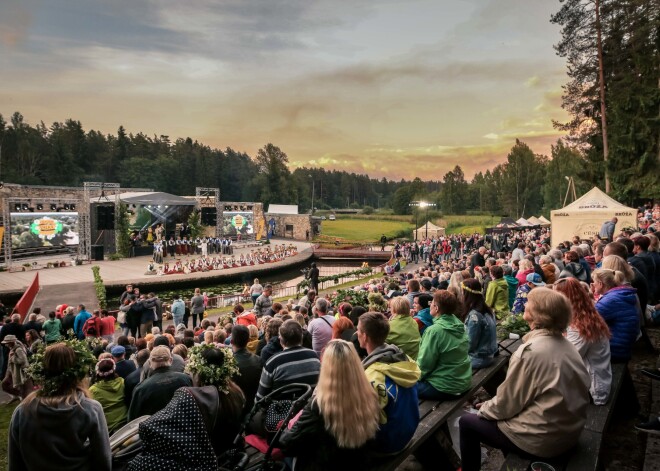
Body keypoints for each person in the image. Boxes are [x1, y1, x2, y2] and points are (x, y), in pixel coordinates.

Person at [458, 288, 590, 471]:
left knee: (467, 423)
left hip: (543, 441)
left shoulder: (530, 353)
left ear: (537, 314)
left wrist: (485, 409)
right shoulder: (567, 345)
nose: (525, 304)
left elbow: (507, 403)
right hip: (567, 431)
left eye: (529, 302)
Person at [129, 345, 245, 470]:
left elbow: (134, 420)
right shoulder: (237, 392)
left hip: (211, 457)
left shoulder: (196, 400)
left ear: (199, 371)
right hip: (230, 450)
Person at [278, 340, 381, 470]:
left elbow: (287, 444)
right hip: (360, 460)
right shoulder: (370, 391)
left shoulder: (320, 405)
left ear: (326, 368)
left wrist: (290, 426)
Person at [8, 342, 111, 471]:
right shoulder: (90, 409)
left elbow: (15, 462)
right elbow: (103, 459)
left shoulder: (23, 411)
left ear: (43, 370)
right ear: (77, 370)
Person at [358, 312, 421, 453]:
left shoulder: (372, 376)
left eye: (358, 330)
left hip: (388, 443)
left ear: (365, 336)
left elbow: (364, 417)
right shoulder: (404, 359)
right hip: (408, 430)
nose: (356, 333)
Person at [554, 277, 612, 405]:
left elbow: (567, 360)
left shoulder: (580, 327)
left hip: (593, 389)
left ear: (565, 298)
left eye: (556, 296)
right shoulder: (586, 314)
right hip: (595, 377)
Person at [416, 290, 472, 400]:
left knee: (402, 388)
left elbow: (424, 365)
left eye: (431, 303)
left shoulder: (434, 331)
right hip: (463, 381)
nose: (430, 305)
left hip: (445, 387)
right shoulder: (459, 324)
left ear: (436, 308)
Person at [255, 320, 321, 401]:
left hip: (282, 412)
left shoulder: (272, 362)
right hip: (309, 408)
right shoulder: (314, 357)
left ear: (281, 339)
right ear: (301, 337)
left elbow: (260, 398)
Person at [128, 345, 193, 420]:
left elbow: (133, 419)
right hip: (183, 426)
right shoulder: (185, 379)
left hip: (155, 429)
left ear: (149, 363)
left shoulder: (141, 389)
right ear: (171, 360)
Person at [592, 267, 640, 363]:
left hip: (615, 350)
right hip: (623, 345)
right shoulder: (619, 294)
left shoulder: (610, 300)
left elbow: (589, 319)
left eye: (594, 282)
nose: (593, 285)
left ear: (600, 284)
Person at [462, 279, 498, 369]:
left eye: (463, 292)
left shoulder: (475, 315)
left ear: (467, 294)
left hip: (478, 359)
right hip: (488, 355)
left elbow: (470, 343)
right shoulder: (487, 310)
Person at [89, 358, 128, 434]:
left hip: (108, 426)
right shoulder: (122, 381)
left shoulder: (93, 390)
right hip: (125, 420)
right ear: (113, 370)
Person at [230, 325, 262, 414]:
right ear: (248, 340)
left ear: (232, 341)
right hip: (256, 407)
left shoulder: (228, 365)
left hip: (237, 410)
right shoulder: (259, 360)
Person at [1, 335, 31, 399]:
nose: (6, 345)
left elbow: (23, 360)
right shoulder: (12, 348)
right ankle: (18, 395)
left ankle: (21, 396)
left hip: (19, 371)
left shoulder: (18, 349)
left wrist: (13, 358)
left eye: (7, 343)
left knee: (22, 387)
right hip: (11, 370)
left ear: (11, 342)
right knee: (5, 384)